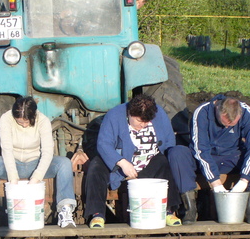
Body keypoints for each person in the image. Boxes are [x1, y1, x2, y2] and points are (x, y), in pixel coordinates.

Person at [83, 94, 196, 228]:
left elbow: (168, 140)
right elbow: (103, 144)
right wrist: (122, 162)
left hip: (148, 161)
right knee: (95, 166)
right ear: (130, 113)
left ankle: (167, 210)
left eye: (146, 122)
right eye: (139, 121)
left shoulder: (160, 114)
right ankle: (97, 214)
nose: (142, 125)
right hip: (119, 165)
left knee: (164, 163)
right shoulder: (114, 115)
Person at [0, 96, 76, 231]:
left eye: (26, 122)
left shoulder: (43, 121)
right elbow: (6, 149)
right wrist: (13, 177)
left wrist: (37, 177)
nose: (23, 125)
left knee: (64, 163)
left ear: (33, 115)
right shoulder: (6, 119)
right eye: (19, 122)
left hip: (36, 163)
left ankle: (65, 209)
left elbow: (47, 152)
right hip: (13, 163)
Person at [190, 94, 250, 223]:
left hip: (232, 157)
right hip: (209, 158)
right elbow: (200, 149)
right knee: (179, 153)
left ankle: (248, 206)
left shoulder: (246, 112)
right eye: (224, 123)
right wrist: (215, 183)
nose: (227, 127)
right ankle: (190, 209)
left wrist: (244, 180)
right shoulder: (202, 112)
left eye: (231, 125)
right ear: (218, 110)